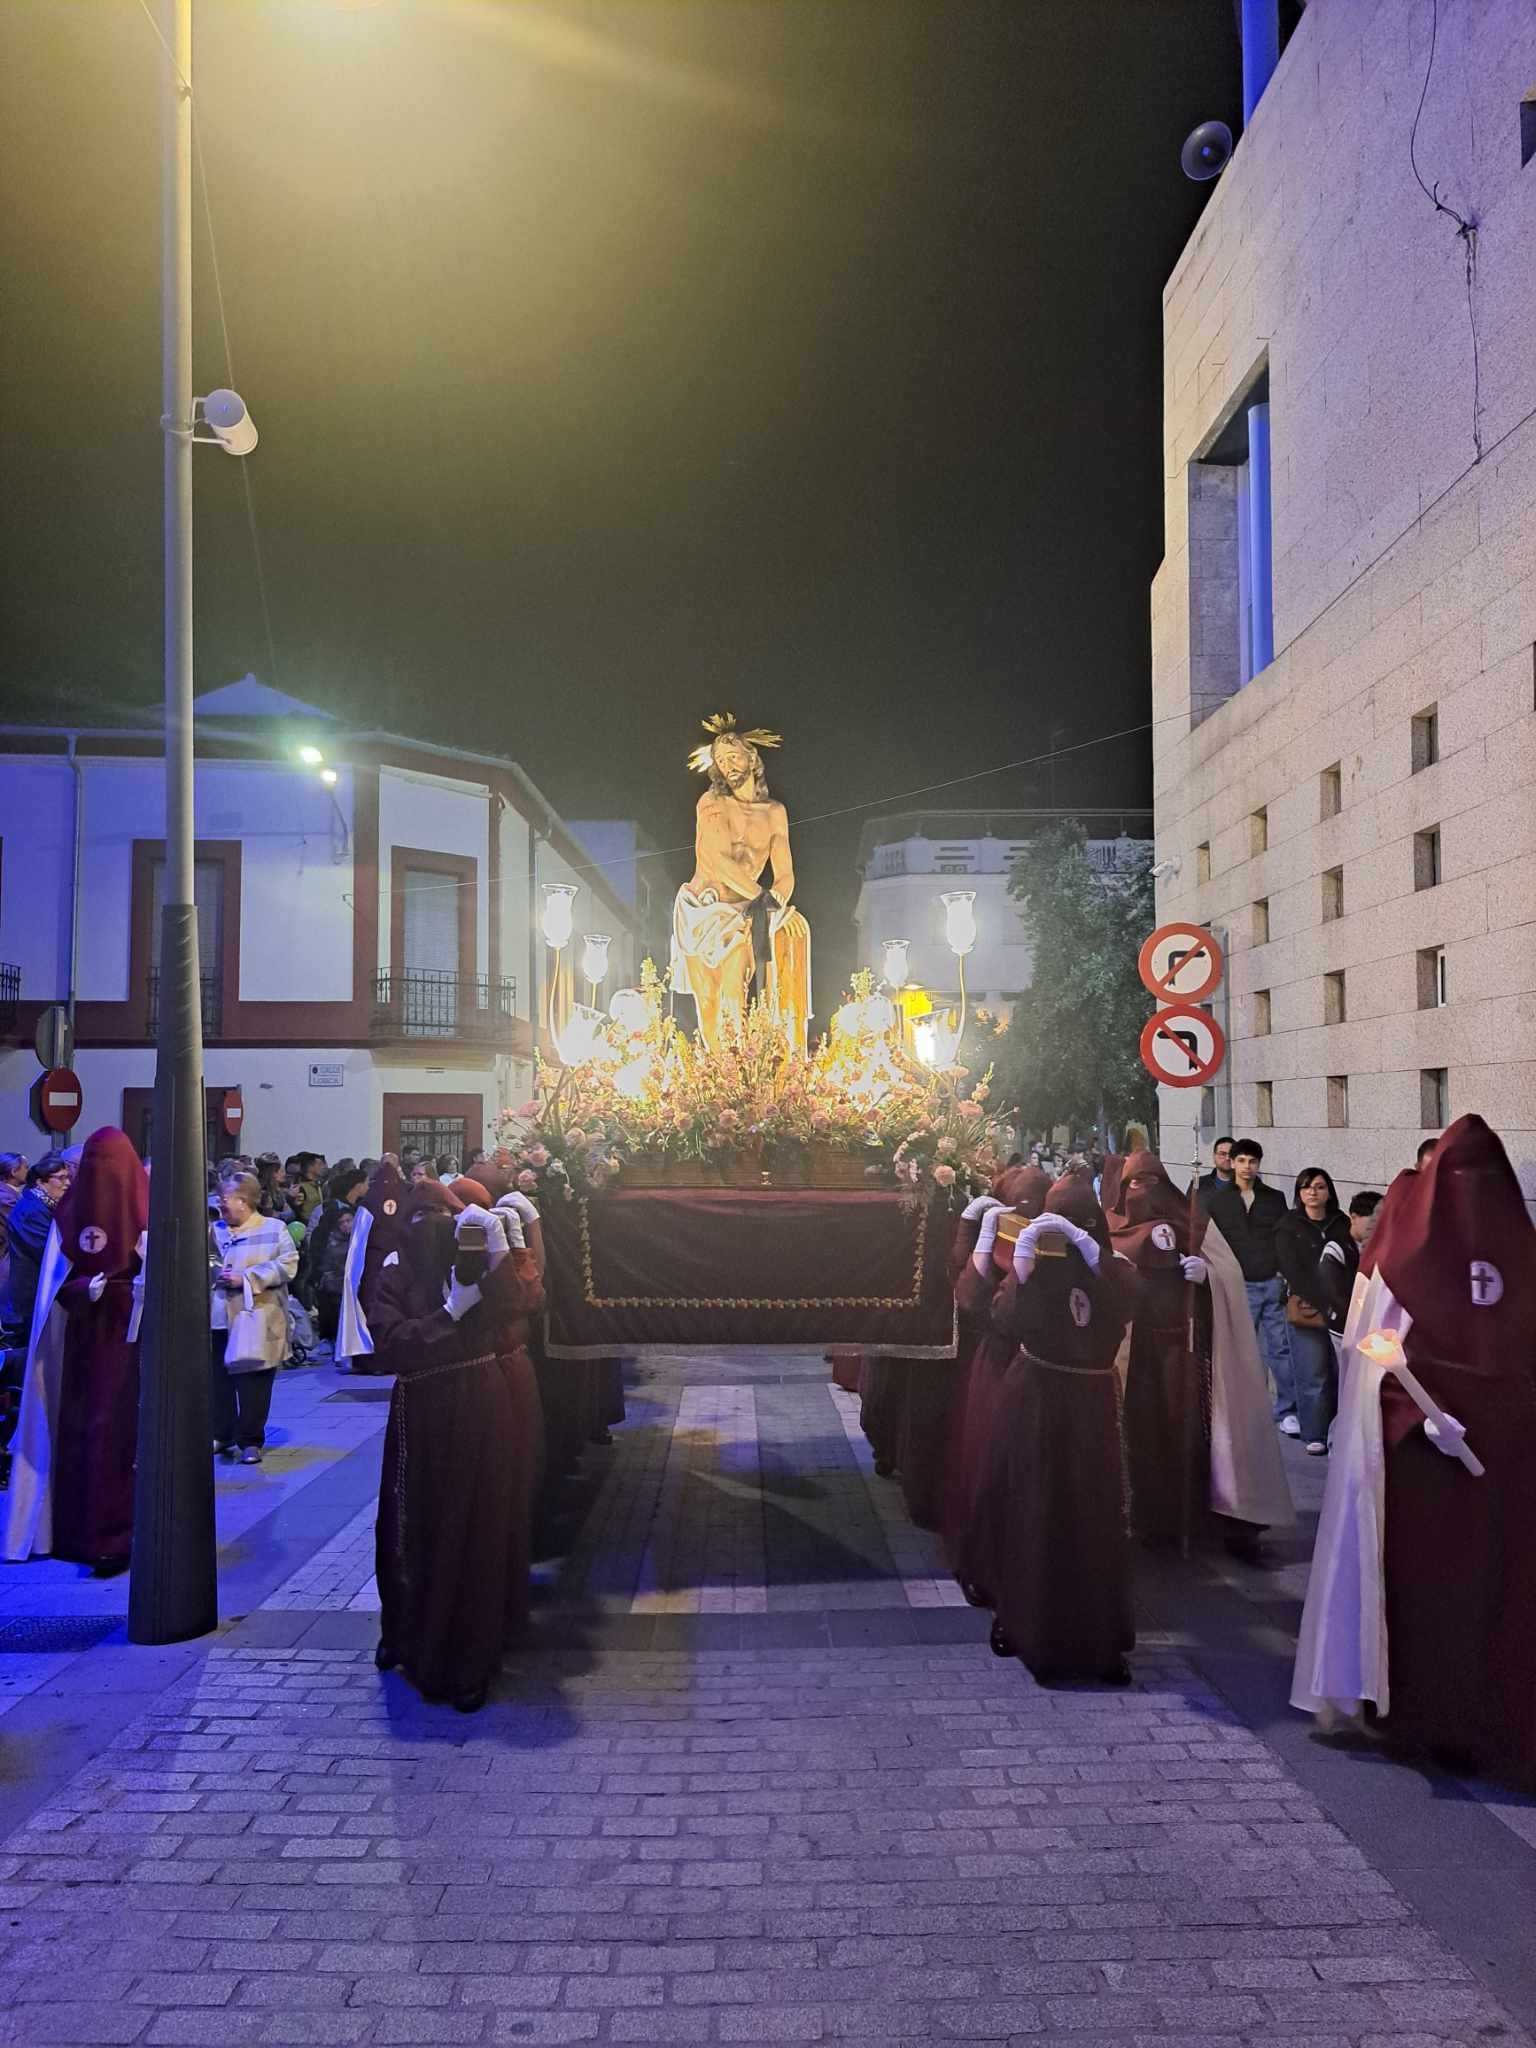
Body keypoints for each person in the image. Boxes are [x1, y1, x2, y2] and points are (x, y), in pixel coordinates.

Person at [1292, 1116, 1536, 1781]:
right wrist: (1415, 1418)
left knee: (1502, 1596)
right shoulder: (1403, 1262)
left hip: (1508, 1466)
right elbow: (1372, 1362)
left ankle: (1496, 1716)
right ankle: (1421, 1715)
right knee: (1428, 1599)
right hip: (1422, 1469)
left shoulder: (1523, 1257)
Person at [368, 1180, 546, 1712]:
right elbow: (390, 1344)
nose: (430, 1226)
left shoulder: (476, 1264)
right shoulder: (397, 1270)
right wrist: (447, 1314)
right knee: (412, 1526)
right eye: (420, 1216)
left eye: (440, 1216)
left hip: (478, 1403)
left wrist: (512, 1243)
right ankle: (406, 1632)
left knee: (477, 1526)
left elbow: (525, 1305)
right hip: (424, 1411)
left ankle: (471, 1655)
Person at [977, 1181, 1138, 1684]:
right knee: (1032, 1509)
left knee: (1093, 1518)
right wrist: (1024, 1264)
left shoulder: (1110, 1269)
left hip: (1090, 1407)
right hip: (1037, 1402)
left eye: (1081, 1224)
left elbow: (1128, 1305)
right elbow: (1005, 1320)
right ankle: (1019, 1619)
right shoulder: (1035, 1268)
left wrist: (1091, 1250)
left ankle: (1099, 1637)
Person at [3, 1128, 148, 1569]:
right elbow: (53, 1283)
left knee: (123, 1433)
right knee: (83, 1431)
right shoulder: (69, 1215)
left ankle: (124, 1532)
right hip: (78, 1343)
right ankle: (78, 1531)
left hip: (133, 1337)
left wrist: (139, 1287)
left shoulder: (146, 1208)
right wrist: (83, 1289)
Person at [671, 714, 811, 1053]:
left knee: (734, 992)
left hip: (742, 914)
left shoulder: (774, 812)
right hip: (701, 909)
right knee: (708, 1002)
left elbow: (785, 873)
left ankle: (735, 1070)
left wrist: (776, 904)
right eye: (720, 760)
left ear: (752, 757)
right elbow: (719, 861)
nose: (728, 765)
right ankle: (717, 1072)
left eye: (733, 756)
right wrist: (768, 900)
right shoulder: (712, 803)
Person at [1100, 1151, 1213, 1549]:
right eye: (1134, 1183)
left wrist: (1207, 1276)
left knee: (1180, 1429)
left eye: (1152, 1182)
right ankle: (1139, 1514)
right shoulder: (1109, 1229)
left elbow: (1225, 1274)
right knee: (1139, 1432)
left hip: (1178, 1348)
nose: (1143, 1191)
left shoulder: (1191, 1225)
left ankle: (1185, 1514)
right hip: (1133, 1353)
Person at [210, 1171, 300, 1464]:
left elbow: (288, 1265)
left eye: (225, 1198)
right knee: (218, 1381)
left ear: (244, 1200)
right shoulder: (214, 1230)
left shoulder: (273, 1229)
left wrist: (247, 1278)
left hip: (258, 1317)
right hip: (218, 1317)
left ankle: (250, 1440)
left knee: (254, 1382)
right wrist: (214, 1273)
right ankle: (221, 1433)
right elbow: (206, 1260)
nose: (220, 1204)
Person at [1205, 1138, 1293, 1431]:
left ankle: (1286, 1410)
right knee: (1241, 1351)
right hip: (1237, 1285)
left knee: (1280, 1349)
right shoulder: (1217, 1202)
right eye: (1241, 1160)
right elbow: (1213, 1244)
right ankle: (1244, 1409)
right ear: (1232, 1163)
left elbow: (1284, 1238)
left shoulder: (1274, 1199)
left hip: (1271, 1282)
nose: (1246, 1166)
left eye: (1252, 1161)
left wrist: (1283, 1274)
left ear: (1258, 1164)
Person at [1275, 1168, 1355, 1455]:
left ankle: (1339, 1434)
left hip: (1341, 1311)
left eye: (1320, 1187)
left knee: (1339, 1373)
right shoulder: (1288, 1225)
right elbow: (1292, 1270)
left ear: (1329, 1192)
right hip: (1307, 1308)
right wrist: (1324, 1299)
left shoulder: (1341, 1222)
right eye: (1306, 1187)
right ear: (1299, 1193)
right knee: (1313, 1373)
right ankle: (1315, 1433)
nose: (1313, 1192)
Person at [0, 1154, 72, 1350]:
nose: (67, 1183)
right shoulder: (31, 1212)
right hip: (26, 1302)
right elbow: (47, 1253)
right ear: (41, 1182)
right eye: (61, 1178)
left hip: (33, 1299)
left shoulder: (44, 1206)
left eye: (68, 1177)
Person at [0, 1152, 28, 1306]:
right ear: (13, 1171)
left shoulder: (13, 1195)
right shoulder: (5, 1198)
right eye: (25, 1167)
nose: (28, 1171)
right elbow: (23, 1223)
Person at [1196, 1136, 1235, 1212]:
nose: (1227, 1158)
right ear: (1214, 1156)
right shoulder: (1199, 1184)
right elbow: (1187, 1212)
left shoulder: (1248, 1184)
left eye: (1232, 1154)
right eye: (1223, 1154)